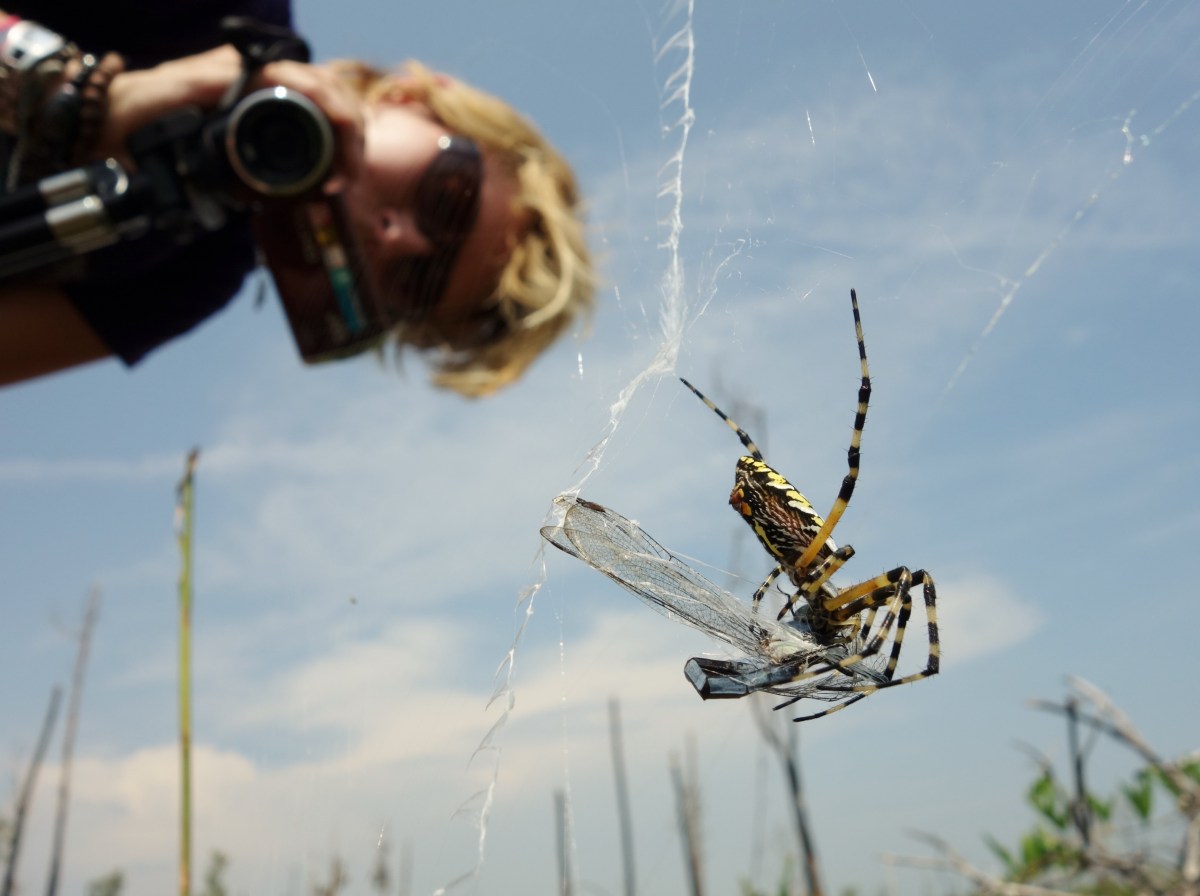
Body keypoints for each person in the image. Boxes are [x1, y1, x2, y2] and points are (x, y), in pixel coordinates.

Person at [0, 1, 593, 396]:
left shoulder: (189, 277)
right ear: (421, 98)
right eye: (447, 198)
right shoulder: (227, 11)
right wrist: (72, 94)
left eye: (417, 281)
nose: (398, 238)